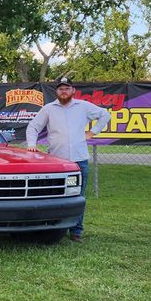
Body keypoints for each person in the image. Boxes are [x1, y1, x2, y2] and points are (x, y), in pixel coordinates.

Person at [26, 76, 111, 242]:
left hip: (79, 161)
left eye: (67, 88)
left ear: (73, 91)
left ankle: (76, 231)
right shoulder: (49, 109)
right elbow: (33, 126)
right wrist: (31, 144)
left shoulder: (83, 107)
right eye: (60, 88)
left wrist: (92, 132)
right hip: (56, 162)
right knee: (54, 195)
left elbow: (105, 115)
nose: (63, 91)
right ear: (56, 91)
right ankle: (54, 227)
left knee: (78, 197)